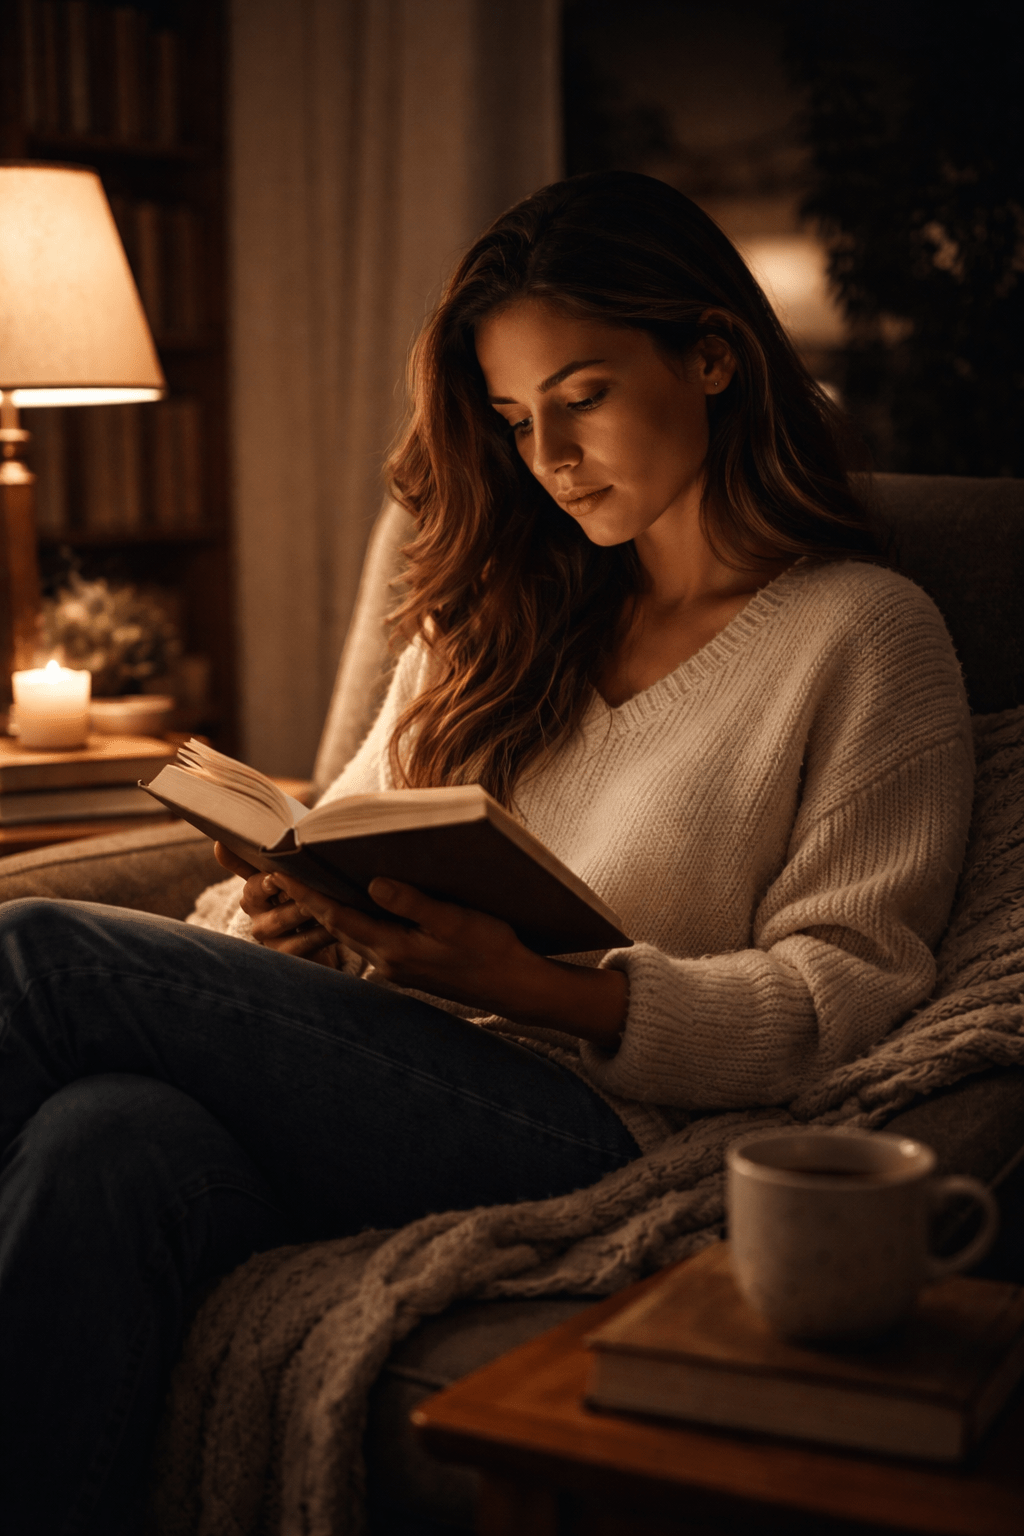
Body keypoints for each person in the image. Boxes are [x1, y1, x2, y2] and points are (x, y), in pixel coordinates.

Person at [0, 172, 972, 1533]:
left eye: (580, 395)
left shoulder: (863, 636)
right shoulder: (493, 620)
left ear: (712, 355)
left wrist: (549, 988)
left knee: (35, 955)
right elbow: (321, 835)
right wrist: (278, 918)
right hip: (367, 1066)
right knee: (104, 1142)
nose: (551, 454)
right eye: (518, 421)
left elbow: (843, 997)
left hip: (588, 1125)